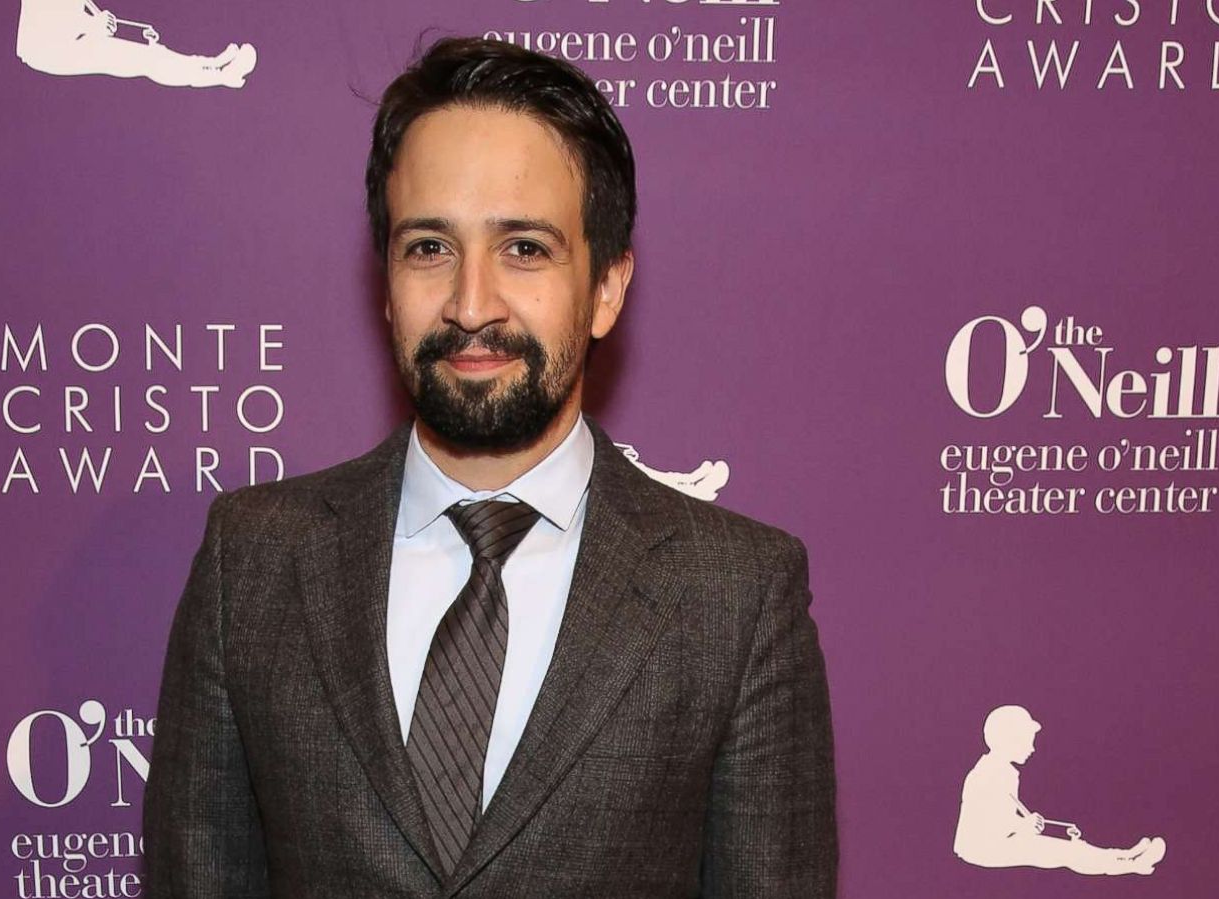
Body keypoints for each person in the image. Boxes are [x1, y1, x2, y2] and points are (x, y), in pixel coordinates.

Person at [143, 36, 836, 898]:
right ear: (386, 282)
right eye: (430, 247)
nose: (472, 305)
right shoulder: (250, 562)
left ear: (608, 287)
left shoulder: (738, 596)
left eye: (525, 249)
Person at [953, 705, 1166, 876]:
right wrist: (1023, 826)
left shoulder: (1002, 771)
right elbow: (986, 826)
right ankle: (1130, 864)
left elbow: (1001, 818)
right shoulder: (989, 774)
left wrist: (1024, 824)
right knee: (1067, 852)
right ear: (1009, 739)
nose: (1032, 748)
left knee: (1070, 848)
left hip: (992, 844)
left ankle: (1126, 857)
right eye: (1028, 741)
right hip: (981, 850)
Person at [16, 0, 256, 89]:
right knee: (147, 60)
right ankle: (222, 74)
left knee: (150, 54)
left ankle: (213, 66)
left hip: (67, 43)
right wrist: (91, 25)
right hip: (47, 51)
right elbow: (46, 25)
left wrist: (101, 24)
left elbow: (77, 12)